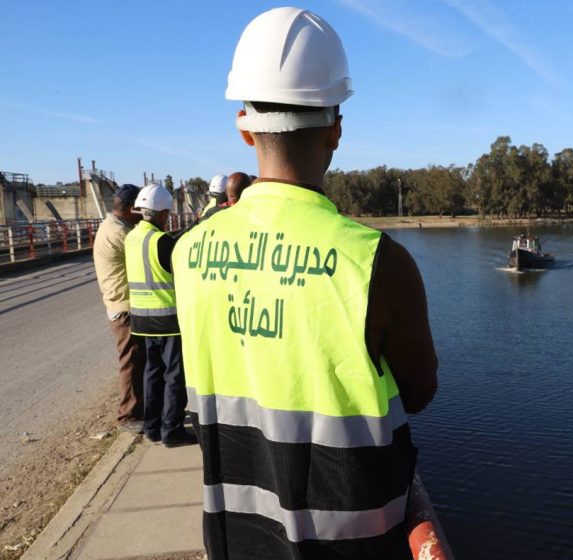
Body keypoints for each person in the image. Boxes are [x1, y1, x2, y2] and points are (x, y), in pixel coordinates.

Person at [173, 7, 438, 558]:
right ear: (337, 127)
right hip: (357, 540)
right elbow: (419, 392)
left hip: (238, 537)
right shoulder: (378, 263)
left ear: (243, 126)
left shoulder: (190, 251)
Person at [125, 184, 197, 448]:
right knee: (174, 376)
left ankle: (152, 427)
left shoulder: (131, 237)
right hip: (166, 318)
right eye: (166, 213)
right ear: (160, 213)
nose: (168, 218)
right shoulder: (161, 241)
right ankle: (172, 429)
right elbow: (178, 273)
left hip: (141, 320)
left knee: (151, 373)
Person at [93, 184, 146, 433]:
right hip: (124, 307)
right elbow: (147, 255)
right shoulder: (120, 234)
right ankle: (128, 415)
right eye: (141, 209)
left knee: (136, 360)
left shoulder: (115, 226)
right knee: (131, 361)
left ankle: (139, 408)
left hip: (120, 304)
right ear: (131, 208)